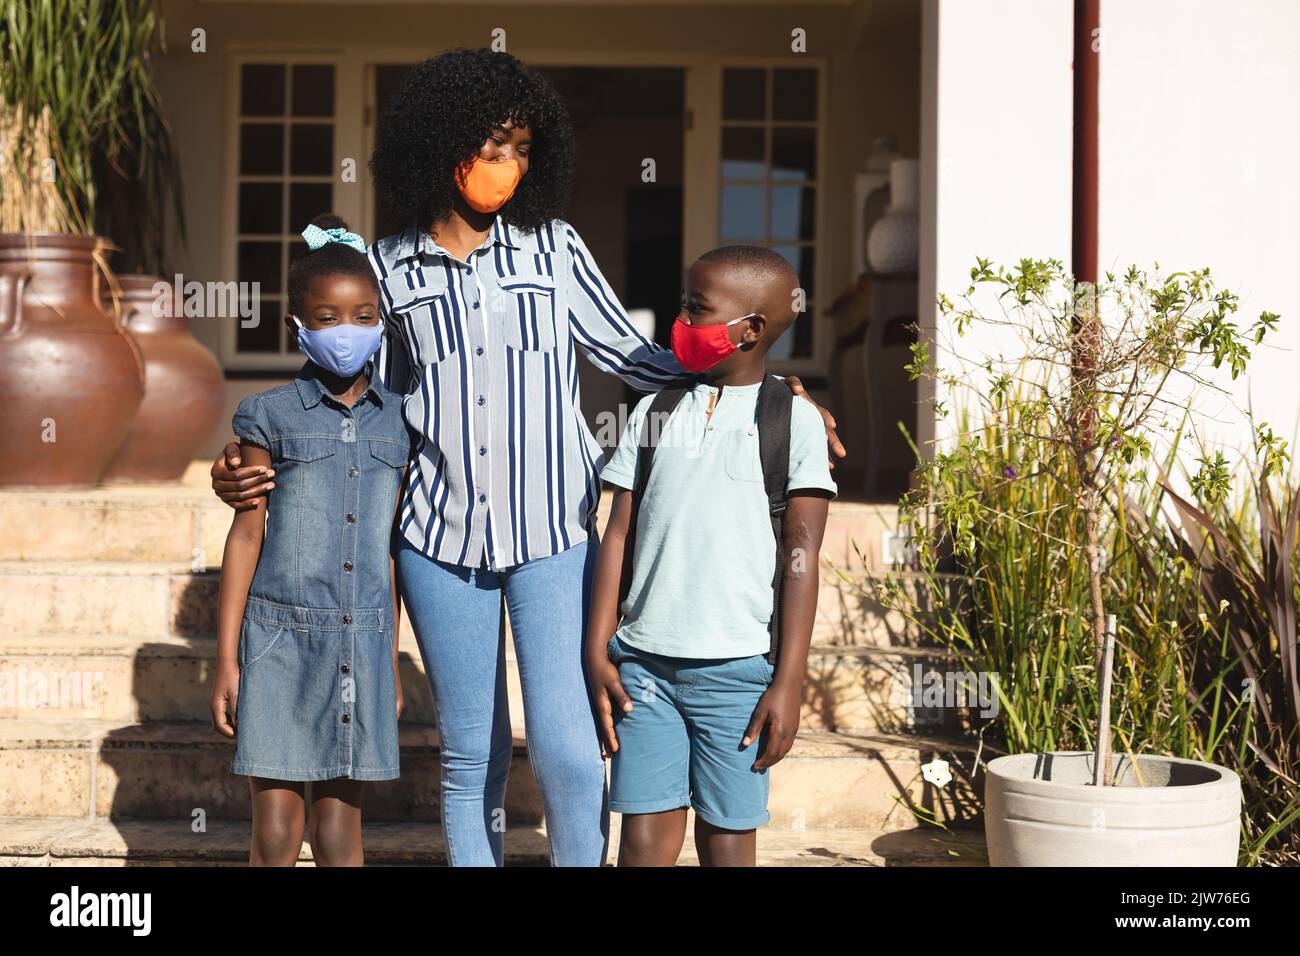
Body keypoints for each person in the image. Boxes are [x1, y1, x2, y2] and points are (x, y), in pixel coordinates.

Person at [208, 49, 843, 867]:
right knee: (472, 750)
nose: (511, 165)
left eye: (523, 149)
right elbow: (350, 387)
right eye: (496, 146)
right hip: (437, 537)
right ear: (445, 146)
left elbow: (634, 355)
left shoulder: (554, 249)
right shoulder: (389, 266)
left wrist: (766, 388)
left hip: (556, 531)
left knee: (571, 747)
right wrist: (245, 453)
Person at [586, 245, 835, 866]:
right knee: (641, 838)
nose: (681, 322)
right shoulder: (653, 410)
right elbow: (616, 533)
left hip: (739, 675)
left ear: (749, 329)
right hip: (642, 668)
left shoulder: (795, 422)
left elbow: (802, 558)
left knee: (727, 836)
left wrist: (789, 679)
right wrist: (597, 649)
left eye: (697, 310)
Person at [210, 216, 408, 866]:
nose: (347, 331)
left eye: (363, 314)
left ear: (382, 320)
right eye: (328, 317)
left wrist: (390, 648)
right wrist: (229, 659)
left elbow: (392, 549)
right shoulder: (266, 415)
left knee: (338, 829)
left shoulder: (402, 421)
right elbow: (246, 535)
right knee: (274, 827)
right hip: (278, 640)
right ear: (297, 323)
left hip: (361, 638)